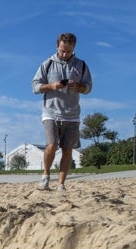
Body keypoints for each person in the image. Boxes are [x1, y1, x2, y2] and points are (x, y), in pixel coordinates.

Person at [32, 32, 92, 191]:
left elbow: (88, 88)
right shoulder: (47, 64)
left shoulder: (81, 65)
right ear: (57, 47)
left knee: (67, 149)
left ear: (74, 48)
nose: (65, 54)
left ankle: (61, 185)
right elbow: (35, 87)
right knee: (51, 145)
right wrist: (52, 86)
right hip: (50, 113)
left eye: (68, 51)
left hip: (72, 115)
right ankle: (45, 176)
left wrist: (77, 86)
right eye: (62, 50)